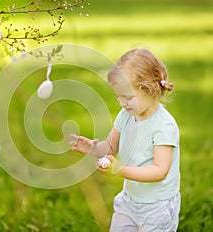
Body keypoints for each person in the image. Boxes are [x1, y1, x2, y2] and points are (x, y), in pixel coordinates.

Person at [70, 48, 180, 232]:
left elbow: (159, 171)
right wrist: (92, 148)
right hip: (129, 200)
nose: (121, 102)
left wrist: (120, 170)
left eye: (127, 97)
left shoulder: (164, 126)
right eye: (118, 96)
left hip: (157, 206)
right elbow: (111, 146)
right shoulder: (126, 115)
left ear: (150, 89)